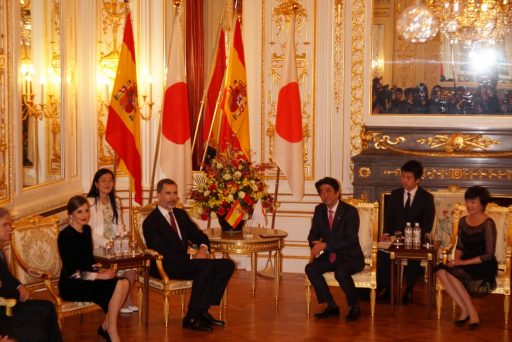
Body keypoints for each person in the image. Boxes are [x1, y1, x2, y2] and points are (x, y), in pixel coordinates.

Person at [143, 179, 235, 332]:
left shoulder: (180, 214)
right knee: (204, 267)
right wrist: (193, 258)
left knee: (227, 265)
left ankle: (201, 311)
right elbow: (163, 252)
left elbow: (199, 236)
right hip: (165, 265)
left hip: (185, 262)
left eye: (175, 193)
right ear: (158, 195)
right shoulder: (151, 222)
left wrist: (203, 249)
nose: (173, 197)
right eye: (168, 193)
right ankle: (191, 317)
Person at [58, 196, 129, 342]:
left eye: (86, 211)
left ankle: (106, 325)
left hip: (89, 278)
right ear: (70, 214)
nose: (84, 215)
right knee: (117, 284)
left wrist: (101, 270)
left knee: (125, 282)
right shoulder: (65, 236)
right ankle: (111, 330)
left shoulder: (87, 230)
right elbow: (73, 273)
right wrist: (100, 277)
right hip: (72, 283)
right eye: (79, 212)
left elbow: (89, 261)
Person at [436, 186, 496, 330]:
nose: (469, 205)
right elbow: (460, 247)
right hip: (465, 260)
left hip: (482, 263)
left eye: (473, 202)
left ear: (482, 204)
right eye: (467, 201)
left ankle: (472, 313)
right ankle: (465, 310)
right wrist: (455, 260)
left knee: (453, 275)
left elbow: (489, 254)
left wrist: (461, 263)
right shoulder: (463, 221)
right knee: (441, 271)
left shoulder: (488, 223)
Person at [305, 177, 364, 322]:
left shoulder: (350, 212)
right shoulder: (319, 210)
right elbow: (313, 234)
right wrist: (314, 246)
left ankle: (354, 307)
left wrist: (324, 246)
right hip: (330, 256)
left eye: (328, 191)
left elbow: (350, 240)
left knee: (341, 272)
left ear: (337, 192)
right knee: (311, 268)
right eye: (321, 192)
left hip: (350, 256)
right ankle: (331, 306)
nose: (325, 195)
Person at [0, 208, 63, 342]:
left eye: (10, 225)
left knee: (48, 308)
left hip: (8, 302)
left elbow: (6, 277)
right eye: (5, 225)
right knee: (37, 331)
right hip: (4, 310)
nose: (9, 229)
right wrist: (18, 294)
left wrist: (19, 286)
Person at [377, 160, 435, 304]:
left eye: (408, 178)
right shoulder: (395, 194)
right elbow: (389, 218)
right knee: (382, 252)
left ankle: (409, 289)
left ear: (418, 180)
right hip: (396, 238)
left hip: (416, 238)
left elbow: (427, 224)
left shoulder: (427, 198)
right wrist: (386, 233)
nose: (404, 180)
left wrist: (415, 236)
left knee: (413, 254)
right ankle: (387, 288)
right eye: (403, 176)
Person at [87, 168, 138, 314]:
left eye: (110, 180)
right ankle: (120, 303)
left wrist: (122, 236)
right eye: (103, 181)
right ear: (96, 184)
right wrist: (106, 242)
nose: (107, 184)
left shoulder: (115, 201)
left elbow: (120, 224)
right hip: (98, 246)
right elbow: (88, 231)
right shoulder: (90, 202)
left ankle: (126, 300)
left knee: (132, 268)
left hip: (114, 244)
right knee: (118, 267)